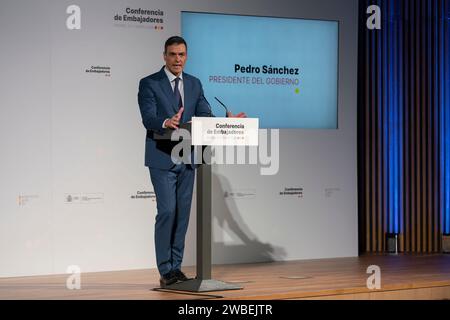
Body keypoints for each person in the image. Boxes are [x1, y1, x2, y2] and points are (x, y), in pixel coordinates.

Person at [137, 36, 245, 287]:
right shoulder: (149, 83)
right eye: (173, 54)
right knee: (167, 211)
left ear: (187, 56)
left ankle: (176, 268)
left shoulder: (195, 84)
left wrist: (224, 121)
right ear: (164, 56)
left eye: (182, 55)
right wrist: (166, 122)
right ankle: (165, 270)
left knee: (182, 215)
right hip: (162, 157)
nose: (177, 59)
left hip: (189, 156)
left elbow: (205, 114)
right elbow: (148, 118)